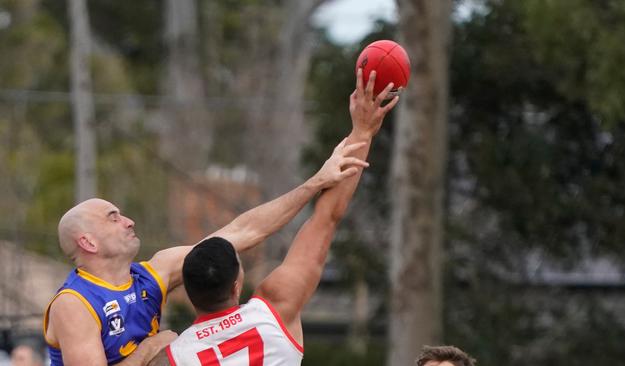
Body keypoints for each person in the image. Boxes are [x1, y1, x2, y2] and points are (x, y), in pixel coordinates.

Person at [42, 74, 378, 366]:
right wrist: (150, 348)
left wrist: (314, 183)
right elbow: (323, 221)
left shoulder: (157, 286)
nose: (128, 221)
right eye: (112, 217)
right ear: (88, 242)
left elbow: (245, 229)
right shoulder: (76, 303)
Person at [147, 70, 398, 366]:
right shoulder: (275, 308)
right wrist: (363, 131)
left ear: (188, 292)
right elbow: (326, 218)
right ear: (237, 284)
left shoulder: (169, 358)